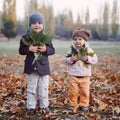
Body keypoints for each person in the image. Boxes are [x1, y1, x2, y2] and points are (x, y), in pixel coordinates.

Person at [19, 11, 55, 115]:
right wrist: (29, 48)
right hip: (31, 67)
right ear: (30, 25)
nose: (37, 25)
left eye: (39, 23)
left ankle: (44, 106)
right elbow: (21, 50)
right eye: (34, 23)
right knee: (31, 89)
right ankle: (31, 107)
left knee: (43, 88)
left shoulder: (46, 37)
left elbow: (52, 50)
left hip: (43, 68)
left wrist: (45, 49)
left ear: (43, 25)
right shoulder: (26, 37)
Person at [64, 28, 98, 112]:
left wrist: (87, 58)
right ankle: (72, 103)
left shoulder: (88, 50)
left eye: (80, 39)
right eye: (75, 39)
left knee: (85, 91)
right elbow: (66, 60)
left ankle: (84, 104)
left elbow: (95, 60)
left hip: (85, 76)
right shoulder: (72, 51)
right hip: (73, 75)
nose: (77, 41)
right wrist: (71, 60)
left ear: (85, 41)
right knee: (73, 91)